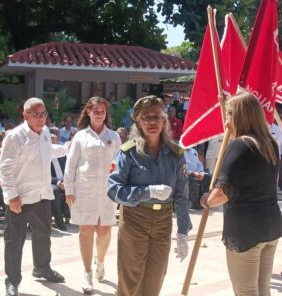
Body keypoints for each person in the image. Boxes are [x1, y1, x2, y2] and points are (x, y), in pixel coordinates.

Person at [108, 95, 191, 296]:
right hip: (135, 218)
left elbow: (182, 195)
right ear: (138, 121)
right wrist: (147, 192)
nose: (152, 122)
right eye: (146, 117)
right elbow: (113, 189)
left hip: (163, 221)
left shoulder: (176, 154)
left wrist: (182, 230)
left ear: (164, 120)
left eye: (157, 116)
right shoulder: (128, 153)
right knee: (131, 278)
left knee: (156, 277)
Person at [200, 92, 282, 296]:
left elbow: (222, 193)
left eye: (228, 115)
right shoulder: (269, 143)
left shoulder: (240, 146)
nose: (226, 122)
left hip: (246, 230)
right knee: (263, 292)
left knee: (246, 292)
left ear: (238, 116)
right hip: (270, 225)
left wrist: (207, 201)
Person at [0, 97, 68, 296]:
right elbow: (5, 168)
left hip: (41, 195)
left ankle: (42, 268)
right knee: (14, 240)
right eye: (35, 115)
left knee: (43, 235)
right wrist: (12, 195)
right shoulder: (15, 136)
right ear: (25, 115)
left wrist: (67, 148)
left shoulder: (45, 132)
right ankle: (12, 281)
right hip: (19, 197)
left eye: (43, 114)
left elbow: (47, 152)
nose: (41, 119)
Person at [64, 96, 121, 294]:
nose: (99, 114)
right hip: (84, 190)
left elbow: (120, 165)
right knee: (86, 231)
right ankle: (87, 272)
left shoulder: (113, 137)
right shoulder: (80, 136)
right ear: (87, 112)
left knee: (104, 232)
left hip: (107, 191)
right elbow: (71, 164)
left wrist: (120, 190)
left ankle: (101, 261)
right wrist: (69, 190)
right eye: (95, 110)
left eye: (102, 111)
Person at [50, 133, 70, 231]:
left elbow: (68, 169)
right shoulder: (44, 156)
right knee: (55, 191)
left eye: (55, 143)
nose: (54, 146)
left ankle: (69, 214)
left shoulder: (63, 155)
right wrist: (58, 182)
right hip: (50, 182)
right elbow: (44, 174)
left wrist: (67, 181)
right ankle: (59, 222)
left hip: (64, 180)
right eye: (52, 143)